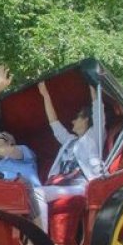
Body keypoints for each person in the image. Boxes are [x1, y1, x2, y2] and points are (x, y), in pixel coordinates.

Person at [34, 81, 106, 234]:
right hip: (62, 185)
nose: (72, 121)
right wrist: (45, 95)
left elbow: (98, 113)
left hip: (83, 186)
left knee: (37, 193)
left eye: (76, 117)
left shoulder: (93, 136)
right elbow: (54, 123)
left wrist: (92, 85)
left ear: (86, 119)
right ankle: (37, 239)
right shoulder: (68, 141)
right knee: (32, 193)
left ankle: (41, 241)